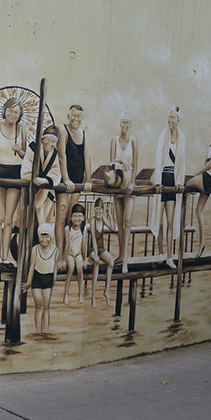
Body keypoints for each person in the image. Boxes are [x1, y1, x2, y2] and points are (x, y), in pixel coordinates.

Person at [0, 97, 26, 271]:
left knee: (8, 220)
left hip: (16, 172)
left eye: (16, 112)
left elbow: (27, 157)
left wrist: (20, 150)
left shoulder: (22, 129)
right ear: (5, 110)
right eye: (10, 111)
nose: (13, 115)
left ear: (20, 114)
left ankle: (4, 256)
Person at [185, 112, 211, 258]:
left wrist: (197, 173)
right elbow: (206, 161)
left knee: (187, 183)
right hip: (207, 177)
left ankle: (183, 214)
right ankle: (202, 243)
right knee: (198, 210)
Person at [151, 106, 186, 270]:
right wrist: (158, 182)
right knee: (159, 219)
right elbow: (158, 158)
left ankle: (170, 257)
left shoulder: (181, 137)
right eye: (169, 117)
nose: (170, 120)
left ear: (178, 120)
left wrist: (180, 182)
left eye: (173, 117)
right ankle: (160, 253)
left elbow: (182, 161)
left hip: (173, 180)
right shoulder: (162, 135)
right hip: (162, 178)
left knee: (170, 221)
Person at [56, 105, 92, 257]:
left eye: (79, 116)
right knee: (60, 219)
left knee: (70, 218)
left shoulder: (84, 133)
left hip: (77, 181)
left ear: (82, 118)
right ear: (68, 116)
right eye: (73, 116)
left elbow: (87, 158)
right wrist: (66, 179)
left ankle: (68, 254)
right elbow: (61, 155)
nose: (76, 119)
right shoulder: (63, 129)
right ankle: (59, 256)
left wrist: (88, 180)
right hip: (65, 181)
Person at [109, 111, 138, 274]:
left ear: (130, 125)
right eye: (123, 122)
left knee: (128, 222)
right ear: (120, 124)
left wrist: (133, 182)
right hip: (117, 183)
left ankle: (125, 258)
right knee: (119, 223)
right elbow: (111, 162)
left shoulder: (133, 140)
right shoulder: (114, 140)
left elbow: (136, 163)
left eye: (127, 122)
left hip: (128, 185)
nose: (125, 125)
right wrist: (120, 161)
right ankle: (120, 255)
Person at [21, 125, 62, 232]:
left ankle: (43, 233)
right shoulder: (32, 148)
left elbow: (56, 171)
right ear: (42, 139)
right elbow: (26, 169)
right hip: (31, 190)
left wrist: (46, 180)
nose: (50, 143)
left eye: (53, 141)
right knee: (27, 223)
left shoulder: (54, 154)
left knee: (44, 219)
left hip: (46, 193)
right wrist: (34, 178)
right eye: (48, 140)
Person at [22, 223, 58, 334]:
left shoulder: (55, 249)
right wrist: (28, 283)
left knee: (46, 306)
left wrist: (54, 281)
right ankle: (38, 332)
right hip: (37, 278)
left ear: (51, 237)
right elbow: (32, 266)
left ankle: (46, 331)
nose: (44, 239)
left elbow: (55, 266)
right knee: (39, 306)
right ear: (38, 236)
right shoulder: (35, 249)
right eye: (42, 236)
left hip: (48, 278)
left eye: (47, 236)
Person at [88, 198, 116, 308]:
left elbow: (112, 228)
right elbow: (94, 239)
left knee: (111, 261)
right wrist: (95, 254)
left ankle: (106, 291)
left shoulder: (103, 219)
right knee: (96, 261)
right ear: (94, 210)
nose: (98, 211)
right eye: (96, 209)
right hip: (92, 249)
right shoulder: (93, 221)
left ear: (103, 210)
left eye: (100, 209)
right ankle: (93, 296)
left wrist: (110, 215)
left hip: (101, 249)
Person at [62, 204, 88, 306]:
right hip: (70, 253)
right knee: (71, 268)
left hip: (78, 254)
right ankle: (66, 294)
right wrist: (64, 259)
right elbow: (67, 245)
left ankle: (80, 294)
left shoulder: (84, 228)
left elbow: (83, 245)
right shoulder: (67, 229)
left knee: (79, 268)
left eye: (79, 216)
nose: (77, 219)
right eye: (75, 216)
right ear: (71, 217)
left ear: (83, 218)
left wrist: (85, 259)